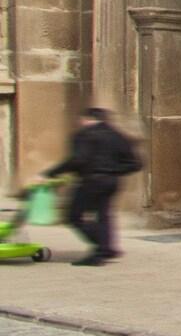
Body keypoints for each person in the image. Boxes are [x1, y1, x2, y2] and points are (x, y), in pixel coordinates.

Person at [43, 107, 142, 267]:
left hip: (91, 181)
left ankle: (102, 248)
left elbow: (78, 160)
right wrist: (113, 171)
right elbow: (135, 164)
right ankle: (107, 248)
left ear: (87, 119)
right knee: (104, 215)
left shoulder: (84, 135)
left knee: (74, 216)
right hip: (111, 181)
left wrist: (52, 173)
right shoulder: (118, 136)